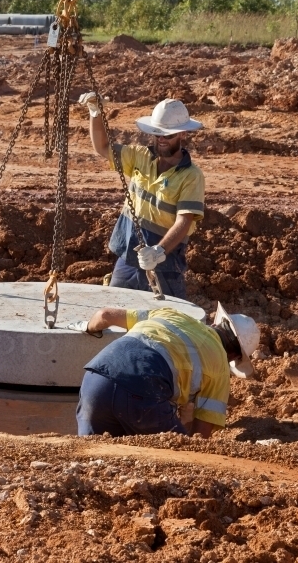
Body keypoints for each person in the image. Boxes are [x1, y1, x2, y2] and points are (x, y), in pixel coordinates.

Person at [79, 95, 205, 298]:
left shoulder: (191, 176)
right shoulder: (140, 157)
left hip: (164, 265)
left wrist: (159, 251)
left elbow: (184, 221)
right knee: (114, 312)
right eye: (157, 135)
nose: (161, 140)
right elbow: (102, 147)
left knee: (168, 321)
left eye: (167, 135)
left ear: (182, 134)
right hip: (128, 258)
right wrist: (96, 114)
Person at [72, 302, 260, 438]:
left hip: (94, 378)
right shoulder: (220, 368)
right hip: (143, 392)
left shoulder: (171, 314)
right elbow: (201, 438)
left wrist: (87, 327)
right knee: (180, 459)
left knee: (94, 463)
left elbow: (105, 315)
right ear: (235, 356)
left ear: (216, 323)